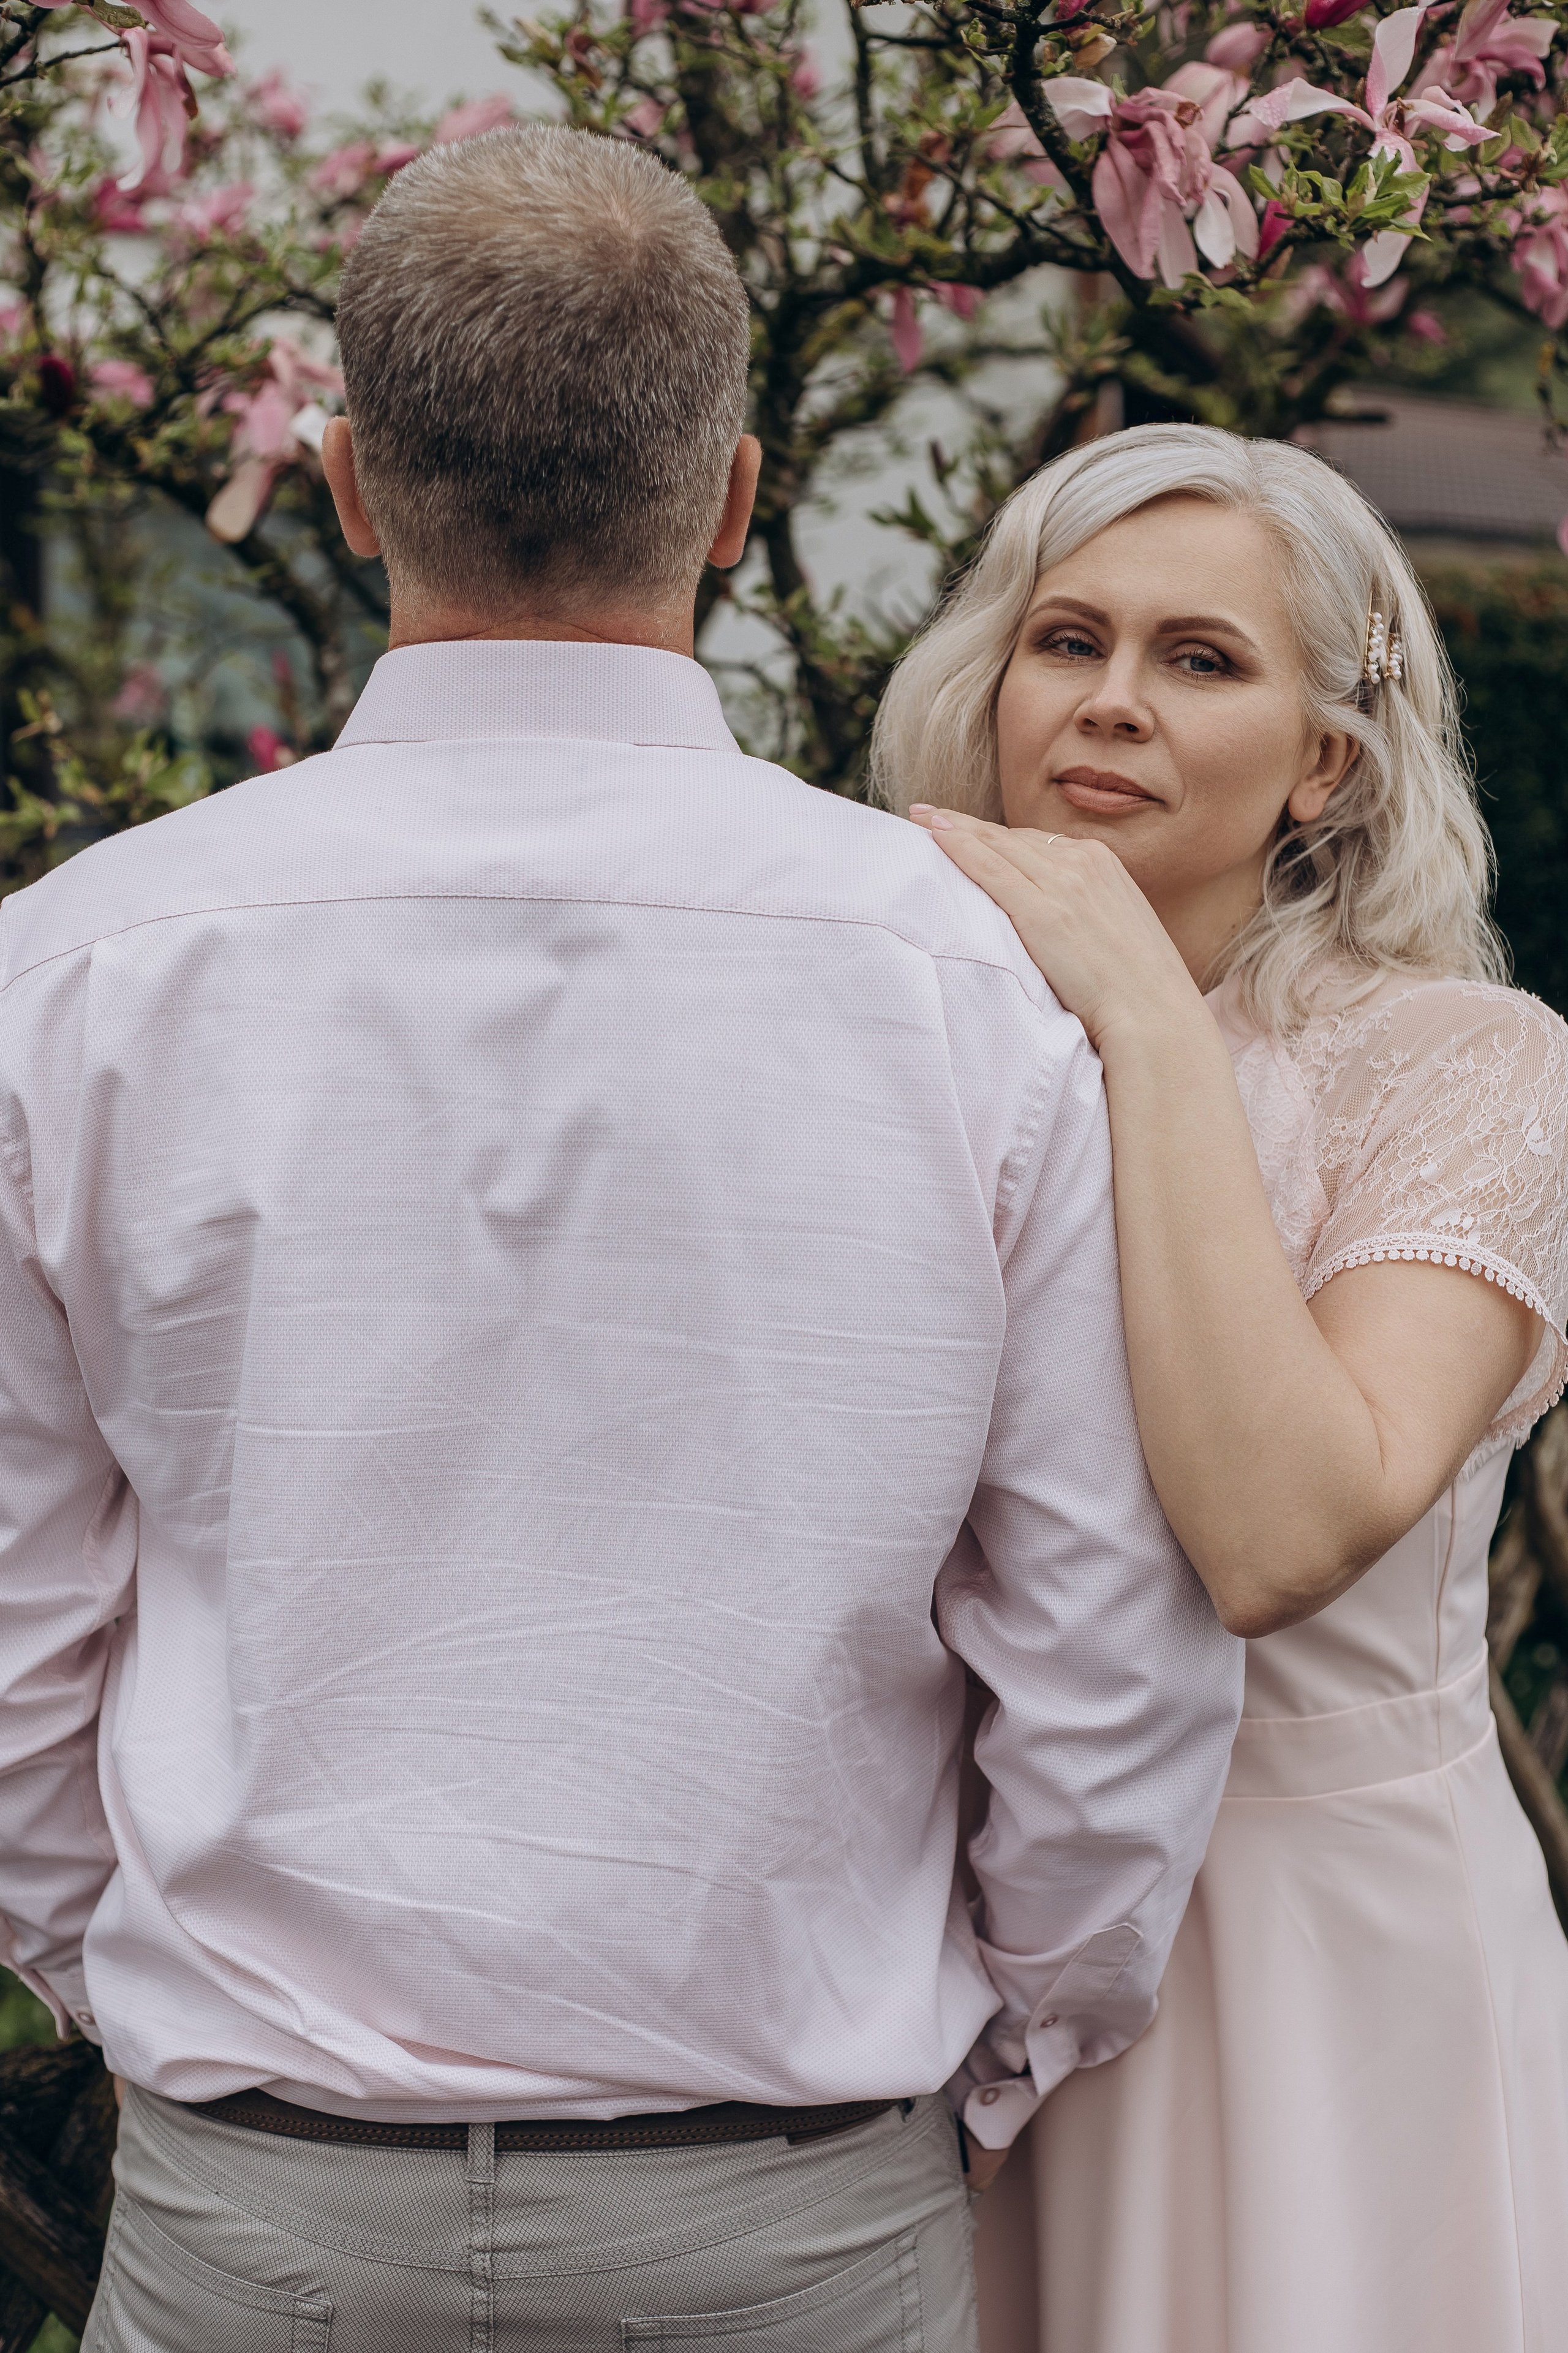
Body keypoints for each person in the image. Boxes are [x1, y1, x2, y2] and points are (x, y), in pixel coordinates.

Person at [0, 135, 1241, 2351]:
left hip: (267, 2204)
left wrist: (147, 2001)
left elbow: (14, 1631)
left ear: (356, 485)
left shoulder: (73, 974)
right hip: (788, 2209)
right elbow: (1102, 1652)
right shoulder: (975, 990)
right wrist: (990, 2063)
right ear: (743, 499)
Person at [877, 422, 1568, 2353]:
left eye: (1201, 659)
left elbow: (1282, 1528)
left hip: (1329, 1965)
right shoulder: (895, 1044)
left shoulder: (1471, 1065)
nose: (1110, 702)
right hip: (954, 1949)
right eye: (1065, 639)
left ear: (1326, 761)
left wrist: (1137, 1008)